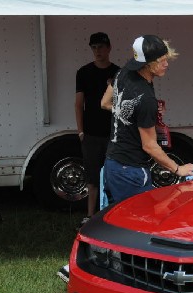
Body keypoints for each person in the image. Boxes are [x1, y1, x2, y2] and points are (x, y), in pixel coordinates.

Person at [101, 35, 193, 205]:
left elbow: (105, 103)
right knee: (137, 225)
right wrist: (178, 169)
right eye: (162, 61)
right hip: (131, 171)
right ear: (148, 64)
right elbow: (150, 146)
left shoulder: (123, 72)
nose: (167, 64)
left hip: (112, 164)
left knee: (117, 222)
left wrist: (137, 113)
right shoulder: (146, 99)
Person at [75, 32, 120, 226]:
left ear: (109, 48)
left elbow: (122, 103)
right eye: (93, 47)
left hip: (113, 133)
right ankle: (90, 215)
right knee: (93, 176)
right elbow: (79, 104)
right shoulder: (83, 72)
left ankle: (111, 213)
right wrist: (81, 131)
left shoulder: (119, 72)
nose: (97, 51)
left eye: (101, 47)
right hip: (91, 134)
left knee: (113, 175)